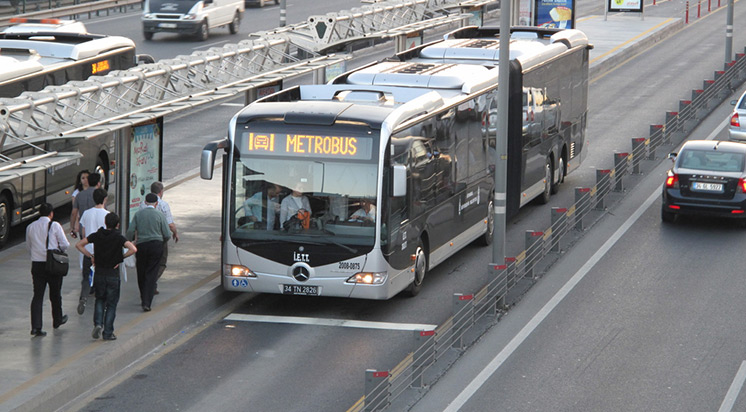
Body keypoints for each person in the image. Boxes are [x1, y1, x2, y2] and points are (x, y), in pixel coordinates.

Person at [76, 213, 136, 341]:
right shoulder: (119, 237)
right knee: (112, 304)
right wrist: (120, 259)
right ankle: (108, 332)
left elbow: (79, 245)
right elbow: (133, 249)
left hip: (99, 274)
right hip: (113, 275)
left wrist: (91, 256)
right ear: (117, 224)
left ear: (105, 222)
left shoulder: (97, 235)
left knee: (100, 300)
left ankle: (98, 324)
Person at [25, 203, 70, 337]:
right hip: (53, 264)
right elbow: (65, 244)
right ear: (51, 213)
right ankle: (57, 319)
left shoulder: (30, 227)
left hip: (37, 264)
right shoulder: (55, 225)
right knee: (55, 293)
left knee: (38, 295)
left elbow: (29, 246)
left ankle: (36, 327)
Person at [127, 193, 171, 312]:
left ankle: (143, 296)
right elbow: (167, 234)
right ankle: (147, 302)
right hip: (156, 245)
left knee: (141, 271)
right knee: (151, 273)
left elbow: (130, 230)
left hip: (142, 245)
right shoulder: (159, 215)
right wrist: (161, 242)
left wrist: (129, 241)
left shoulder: (138, 214)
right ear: (156, 203)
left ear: (145, 202)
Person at [139, 181, 179, 294]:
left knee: (147, 262)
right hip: (159, 238)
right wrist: (175, 233)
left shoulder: (142, 204)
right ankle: (151, 281)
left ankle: (152, 284)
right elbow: (170, 224)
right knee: (161, 262)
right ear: (161, 192)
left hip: (144, 237)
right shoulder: (163, 205)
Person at [76, 188, 110, 315]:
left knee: (86, 277)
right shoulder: (107, 214)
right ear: (105, 199)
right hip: (102, 253)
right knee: (101, 278)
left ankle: (83, 297)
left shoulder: (86, 213)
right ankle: (101, 303)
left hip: (88, 251)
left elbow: (84, 233)